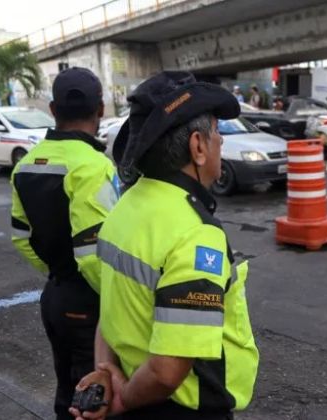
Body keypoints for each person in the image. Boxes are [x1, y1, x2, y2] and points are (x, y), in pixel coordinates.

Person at [70, 71, 259, 420]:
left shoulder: (125, 207)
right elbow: (167, 371)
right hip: (176, 407)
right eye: (217, 133)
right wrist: (122, 399)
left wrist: (104, 370)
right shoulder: (195, 233)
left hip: (132, 388)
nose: (221, 143)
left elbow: (110, 310)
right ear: (198, 147)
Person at [10, 67, 118, 419]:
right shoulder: (94, 166)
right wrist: (123, 301)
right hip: (91, 301)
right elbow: (92, 256)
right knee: (94, 397)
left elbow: (21, 237)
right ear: (100, 109)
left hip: (55, 295)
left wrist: (57, 271)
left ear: (53, 110)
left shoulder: (25, 164)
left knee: (67, 389)